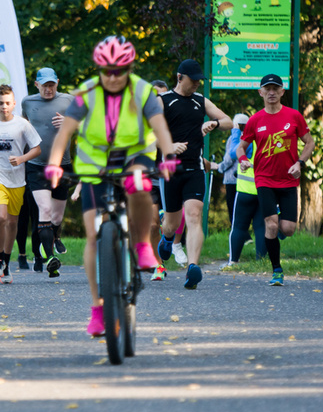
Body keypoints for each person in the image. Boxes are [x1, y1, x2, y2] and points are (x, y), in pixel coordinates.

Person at [46, 35, 175, 336]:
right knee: (93, 236)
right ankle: (97, 309)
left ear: (129, 68)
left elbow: (160, 128)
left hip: (134, 155)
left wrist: (169, 156)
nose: (113, 77)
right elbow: (64, 134)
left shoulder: (143, 92)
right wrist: (53, 164)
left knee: (139, 183)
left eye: (120, 70)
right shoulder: (86, 94)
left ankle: (142, 244)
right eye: (107, 71)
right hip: (96, 162)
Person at [156, 59, 232, 289]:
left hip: (196, 169)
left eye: (200, 80)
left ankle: (192, 267)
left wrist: (214, 124)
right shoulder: (163, 101)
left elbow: (228, 121)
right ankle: (167, 238)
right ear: (180, 77)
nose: (198, 83)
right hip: (171, 171)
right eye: (194, 79)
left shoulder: (201, 101)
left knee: (194, 215)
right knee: (171, 224)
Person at [236, 74, 315, 286]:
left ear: (282, 91)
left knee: (288, 229)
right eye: (267, 89)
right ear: (260, 92)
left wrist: (300, 163)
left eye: (275, 88)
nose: (271, 92)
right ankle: (277, 270)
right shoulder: (255, 120)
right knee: (271, 225)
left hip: (288, 180)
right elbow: (240, 147)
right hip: (264, 179)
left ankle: (275, 221)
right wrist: (243, 160)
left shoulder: (294, 116)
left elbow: (309, 143)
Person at [0, 84, 41, 284]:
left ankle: (6, 264)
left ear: (14, 104)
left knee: (12, 222)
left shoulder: (22, 124)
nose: (4, 106)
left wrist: (21, 159)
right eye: (1, 103)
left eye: (8, 103)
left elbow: (37, 148)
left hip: (17, 180)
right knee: (0, 217)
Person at [21, 67, 75, 276]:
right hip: (36, 165)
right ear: (37, 85)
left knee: (57, 217)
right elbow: (23, 127)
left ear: (57, 83)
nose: (48, 89)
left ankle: (56, 235)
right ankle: (50, 258)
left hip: (63, 166)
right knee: (44, 209)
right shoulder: (27, 102)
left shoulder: (69, 100)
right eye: (44, 86)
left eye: (52, 85)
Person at [222, 116, 267, 268]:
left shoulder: (248, 141)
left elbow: (233, 153)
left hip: (246, 190)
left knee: (239, 226)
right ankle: (261, 262)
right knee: (260, 226)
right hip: (263, 190)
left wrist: (235, 132)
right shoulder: (266, 140)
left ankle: (233, 261)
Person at [218, 113, 249, 223]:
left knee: (233, 210)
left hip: (232, 179)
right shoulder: (251, 138)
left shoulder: (233, 138)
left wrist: (220, 167)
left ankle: (236, 231)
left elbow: (229, 159)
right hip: (247, 179)